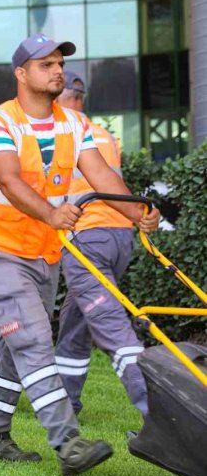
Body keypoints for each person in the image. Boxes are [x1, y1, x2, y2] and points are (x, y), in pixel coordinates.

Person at [0, 34, 160, 476]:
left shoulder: (73, 124)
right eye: (45, 64)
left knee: (12, 347)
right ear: (21, 74)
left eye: (58, 63)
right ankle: (68, 443)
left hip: (43, 254)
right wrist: (53, 214)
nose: (57, 71)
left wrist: (138, 214)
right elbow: (12, 183)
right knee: (34, 339)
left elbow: (100, 174)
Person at [54, 70, 148, 417]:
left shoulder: (62, 136)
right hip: (118, 238)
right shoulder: (104, 136)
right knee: (75, 322)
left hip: (85, 240)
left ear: (63, 99)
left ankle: (161, 411)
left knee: (109, 324)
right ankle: (67, 401)